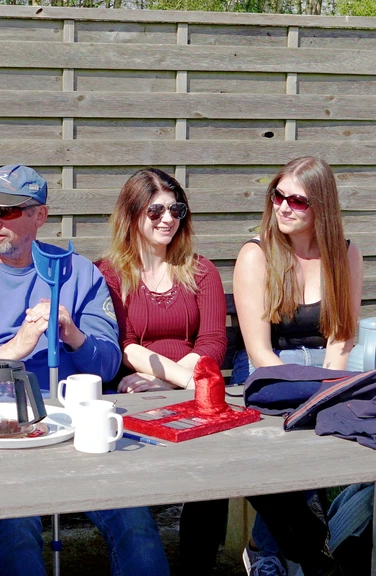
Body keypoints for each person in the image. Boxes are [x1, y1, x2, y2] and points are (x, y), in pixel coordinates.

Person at [0, 164, 169, 576]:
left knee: (135, 522)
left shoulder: (77, 273)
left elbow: (108, 362)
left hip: (74, 427)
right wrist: (12, 350)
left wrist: (73, 334)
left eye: (8, 211)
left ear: (40, 215)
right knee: (16, 527)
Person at [232, 156, 362, 576]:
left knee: (337, 435)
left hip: (326, 369)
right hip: (269, 370)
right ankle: (306, 548)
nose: (283, 207)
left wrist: (329, 388)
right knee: (285, 446)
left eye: (298, 201)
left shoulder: (345, 253)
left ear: (322, 207)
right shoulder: (255, 255)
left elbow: (341, 337)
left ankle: (265, 547)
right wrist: (306, 398)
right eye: (278, 196)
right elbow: (258, 351)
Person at [95, 168, 227, 576]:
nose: (167, 219)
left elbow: (212, 343)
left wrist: (167, 380)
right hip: (137, 397)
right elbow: (125, 344)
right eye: (155, 211)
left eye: (176, 210)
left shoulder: (201, 270)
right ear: (132, 214)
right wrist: (178, 381)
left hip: (187, 392)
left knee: (215, 475)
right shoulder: (109, 274)